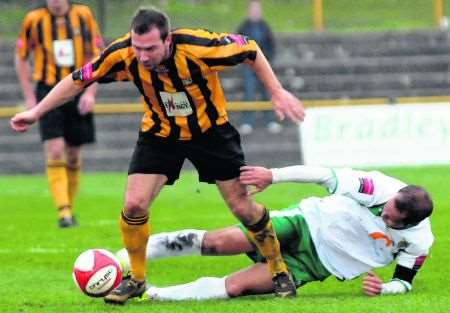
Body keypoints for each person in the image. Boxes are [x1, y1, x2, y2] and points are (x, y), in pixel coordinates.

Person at [10, 7, 305, 304]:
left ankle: (278, 269)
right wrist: (36, 111)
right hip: (160, 134)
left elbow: (250, 48)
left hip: (211, 134)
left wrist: (276, 91)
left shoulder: (198, 45)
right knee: (134, 204)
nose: (143, 56)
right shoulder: (123, 53)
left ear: (167, 40)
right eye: (138, 48)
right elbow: (78, 78)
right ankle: (137, 279)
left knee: (243, 209)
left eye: (150, 48)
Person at [115, 164, 434, 301]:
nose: (384, 213)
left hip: (316, 266)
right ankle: (129, 257)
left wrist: (384, 291)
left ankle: (156, 295)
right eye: (387, 207)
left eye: (391, 218)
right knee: (221, 242)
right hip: (306, 223)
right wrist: (274, 175)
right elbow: (323, 175)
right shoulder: (377, 187)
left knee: (237, 288)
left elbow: (403, 283)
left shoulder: (419, 241)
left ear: (408, 224)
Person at [15, 0, 103, 228]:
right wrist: (29, 96)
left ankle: (69, 208)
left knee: (73, 154)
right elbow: (21, 57)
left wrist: (90, 92)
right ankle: (63, 212)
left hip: (78, 88)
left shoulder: (84, 15)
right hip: (47, 90)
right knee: (55, 150)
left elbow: (96, 55)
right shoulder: (34, 20)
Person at [236, 0, 280, 135]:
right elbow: (236, 45)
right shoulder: (243, 27)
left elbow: (272, 45)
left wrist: (267, 61)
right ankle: (246, 122)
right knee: (249, 93)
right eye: (253, 9)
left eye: (257, 9)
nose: (255, 12)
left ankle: (270, 120)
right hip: (249, 66)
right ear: (248, 11)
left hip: (263, 66)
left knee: (266, 93)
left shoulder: (265, 27)